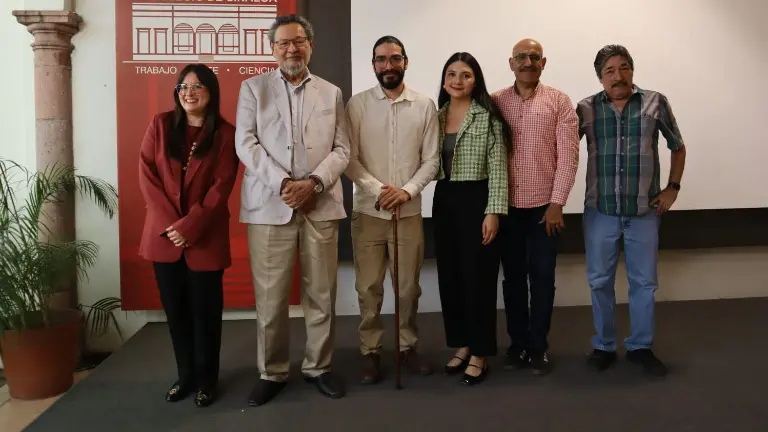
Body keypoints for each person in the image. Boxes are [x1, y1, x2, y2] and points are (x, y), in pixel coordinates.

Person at [234, 15, 350, 406]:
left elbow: (342, 149)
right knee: (271, 297)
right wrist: (284, 184)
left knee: (322, 293)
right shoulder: (253, 89)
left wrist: (313, 183)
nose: (291, 49)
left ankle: (319, 366)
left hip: (320, 204)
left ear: (310, 45)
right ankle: (273, 371)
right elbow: (245, 144)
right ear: (272, 49)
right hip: (270, 205)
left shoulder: (331, 93)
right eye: (283, 43)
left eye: (298, 42)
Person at [576, 44, 686, 377]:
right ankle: (604, 346)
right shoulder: (585, 108)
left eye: (624, 67)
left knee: (644, 283)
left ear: (632, 70)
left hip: (643, 212)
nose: (618, 75)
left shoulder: (656, 102)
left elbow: (677, 146)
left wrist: (672, 187)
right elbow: (562, 151)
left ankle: (640, 347)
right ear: (600, 76)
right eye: (609, 70)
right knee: (599, 282)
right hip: (600, 211)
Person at [138, 64, 239, 407]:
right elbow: (146, 174)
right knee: (176, 312)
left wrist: (189, 226)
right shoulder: (161, 124)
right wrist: (173, 225)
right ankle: (185, 377)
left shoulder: (226, 134)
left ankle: (207, 380)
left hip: (204, 238)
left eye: (197, 86)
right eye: (183, 86)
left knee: (206, 313)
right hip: (164, 237)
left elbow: (221, 186)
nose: (189, 92)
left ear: (211, 93)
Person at [345, 35, 439, 384]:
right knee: (368, 287)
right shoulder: (357, 105)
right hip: (368, 213)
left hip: (409, 213)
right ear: (373, 65)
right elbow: (349, 159)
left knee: (408, 288)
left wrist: (407, 191)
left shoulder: (424, 105)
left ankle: (406, 347)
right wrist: (379, 190)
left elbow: (431, 160)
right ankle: (371, 351)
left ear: (405, 62)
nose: (388, 65)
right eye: (381, 60)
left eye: (394, 59)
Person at [491, 38, 580, 375]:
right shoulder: (496, 101)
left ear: (544, 63)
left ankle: (538, 347)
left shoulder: (559, 101)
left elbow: (568, 158)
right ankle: (517, 346)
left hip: (545, 210)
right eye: (521, 57)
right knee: (512, 279)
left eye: (534, 57)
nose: (527, 61)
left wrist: (557, 204)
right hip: (507, 209)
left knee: (542, 278)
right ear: (511, 63)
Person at [433, 52, 509, 385]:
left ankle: (480, 351)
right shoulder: (435, 117)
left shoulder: (488, 116)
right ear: (444, 80)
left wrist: (493, 212)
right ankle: (463, 343)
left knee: (479, 278)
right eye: (451, 75)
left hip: (477, 200)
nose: (457, 81)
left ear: (475, 79)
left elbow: (499, 169)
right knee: (451, 277)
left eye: (465, 75)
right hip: (445, 200)